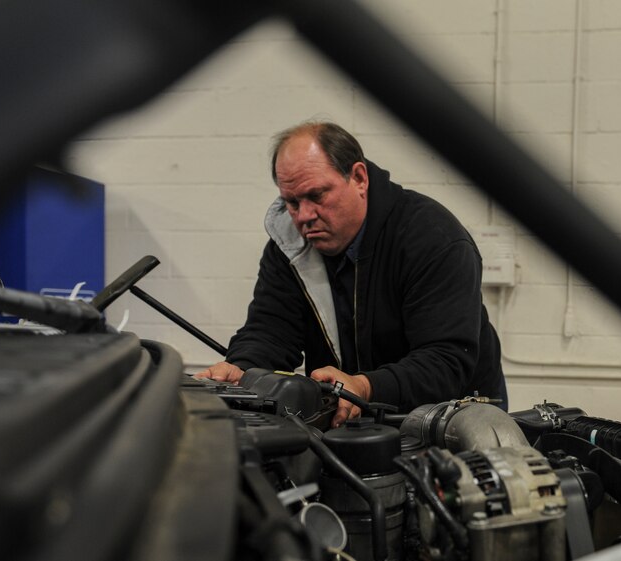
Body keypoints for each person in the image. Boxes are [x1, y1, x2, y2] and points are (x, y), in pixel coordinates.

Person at [196, 121, 507, 427]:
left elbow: (445, 362)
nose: (303, 217)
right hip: (349, 420)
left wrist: (365, 387)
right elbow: (271, 330)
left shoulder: (432, 237)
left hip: (452, 425)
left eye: (317, 196)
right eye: (292, 202)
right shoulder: (289, 247)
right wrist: (242, 368)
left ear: (359, 178)